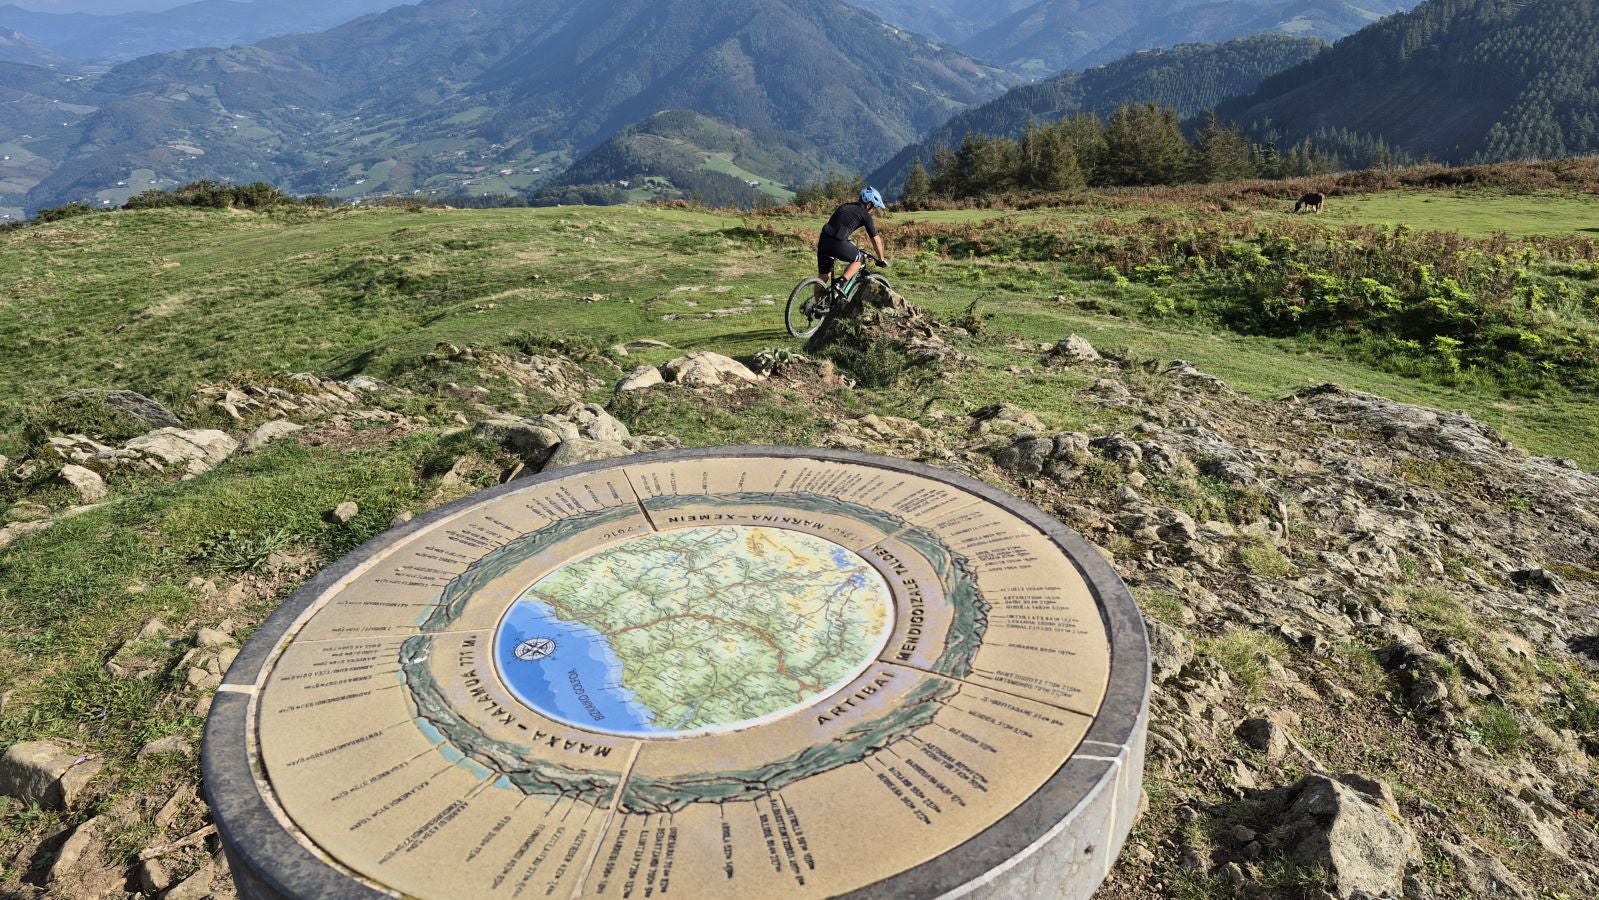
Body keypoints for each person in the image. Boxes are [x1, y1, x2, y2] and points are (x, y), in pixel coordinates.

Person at [816, 187, 889, 300]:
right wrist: (881, 259)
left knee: (823, 277)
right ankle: (839, 284)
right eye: (873, 207)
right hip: (837, 243)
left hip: (824, 240)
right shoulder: (865, 215)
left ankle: (817, 307)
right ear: (869, 205)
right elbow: (876, 240)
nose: (872, 210)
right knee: (859, 259)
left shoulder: (845, 206)